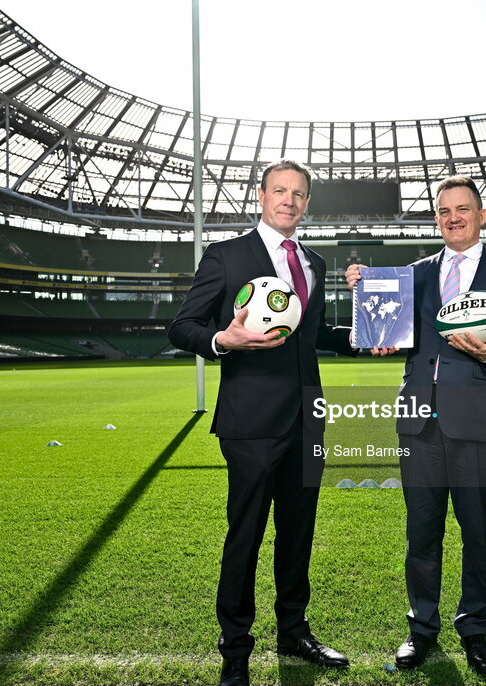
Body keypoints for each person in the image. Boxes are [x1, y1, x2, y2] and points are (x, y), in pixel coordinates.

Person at [170, 160, 390, 686]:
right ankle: (236, 651)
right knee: (245, 535)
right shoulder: (225, 255)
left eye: (298, 193)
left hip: (307, 421)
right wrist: (223, 340)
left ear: (307, 202)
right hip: (250, 423)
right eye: (279, 190)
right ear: (261, 196)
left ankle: (294, 631)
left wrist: (366, 338)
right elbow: (182, 326)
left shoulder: (313, 262)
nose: (288, 200)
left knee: (298, 533)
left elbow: (312, 335)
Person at [345, 176, 486, 675]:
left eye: (463, 209)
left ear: (482, 215)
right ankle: (421, 629)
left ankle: (475, 630)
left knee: (478, 533)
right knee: (421, 533)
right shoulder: (414, 274)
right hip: (418, 422)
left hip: (478, 423)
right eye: (444, 211)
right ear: (436, 219)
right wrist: (365, 293)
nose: (453, 218)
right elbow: (392, 330)